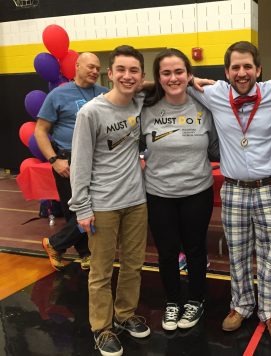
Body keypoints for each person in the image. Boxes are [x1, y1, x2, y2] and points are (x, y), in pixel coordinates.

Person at [190, 41, 271, 341]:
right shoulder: (215, 93)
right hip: (233, 189)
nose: (242, 72)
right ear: (226, 71)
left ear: (258, 69)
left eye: (248, 66)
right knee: (238, 252)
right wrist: (189, 78)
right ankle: (241, 305)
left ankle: (270, 310)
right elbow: (170, 80)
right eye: (235, 67)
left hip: (269, 187)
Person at [69, 45, 150, 356]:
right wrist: (82, 208)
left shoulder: (139, 102)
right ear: (110, 74)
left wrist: (193, 79)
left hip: (136, 200)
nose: (127, 76)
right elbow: (80, 163)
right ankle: (101, 328)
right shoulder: (90, 112)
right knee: (101, 271)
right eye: (121, 70)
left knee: (133, 265)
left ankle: (125, 315)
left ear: (141, 76)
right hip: (102, 205)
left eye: (134, 71)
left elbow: (159, 84)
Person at [140, 48, 219, 331]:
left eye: (179, 72)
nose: (173, 78)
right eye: (166, 73)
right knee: (167, 252)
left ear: (189, 74)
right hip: (159, 194)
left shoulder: (204, 107)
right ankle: (173, 301)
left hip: (197, 191)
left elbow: (215, 148)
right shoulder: (145, 107)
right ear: (157, 77)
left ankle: (196, 300)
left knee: (196, 250)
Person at [35, 52, 108, 271]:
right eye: (90, 67)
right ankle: (85, 254)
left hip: (97, 160)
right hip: (67, 160)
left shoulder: (104, 93)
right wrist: (54, 160)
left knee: (96, 209)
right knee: (75, 212)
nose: (95, 71)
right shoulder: (58, 95)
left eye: (98, 68)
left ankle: (55, 243)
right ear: (77, 66)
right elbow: (40, 130)